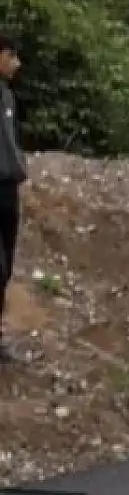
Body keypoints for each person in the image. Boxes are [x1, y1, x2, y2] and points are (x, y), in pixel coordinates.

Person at [0, 32, 25, 366]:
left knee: (6, 267)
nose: (16, 63)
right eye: (11, 55)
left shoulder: (7, 97)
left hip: (8, 189)